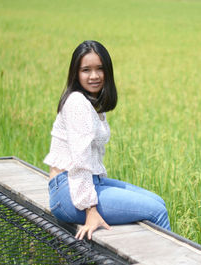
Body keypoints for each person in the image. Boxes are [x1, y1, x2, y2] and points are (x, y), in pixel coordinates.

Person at [44, 40, 170, 240]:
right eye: (86, 70)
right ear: (76, 73)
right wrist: (90, 210)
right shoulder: (77, 103)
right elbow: (80, 162)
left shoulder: (92, 104)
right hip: (68, 192)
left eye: (100, 69)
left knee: (158, 202)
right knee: (156, 211)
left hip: (85, 183)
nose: (94, 76)